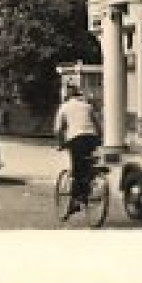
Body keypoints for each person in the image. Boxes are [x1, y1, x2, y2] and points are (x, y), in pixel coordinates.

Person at [54, 83, 102, 217]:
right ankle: (88, 187)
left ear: (67, 95)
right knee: (87, 166)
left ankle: (75, 201)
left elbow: (58, 129)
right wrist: (99, 139)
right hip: (91, 138)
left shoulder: (64, 107)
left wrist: (60, 144)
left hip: (76, 139)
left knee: (76, 169)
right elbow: (98, 125)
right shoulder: (87, 106)